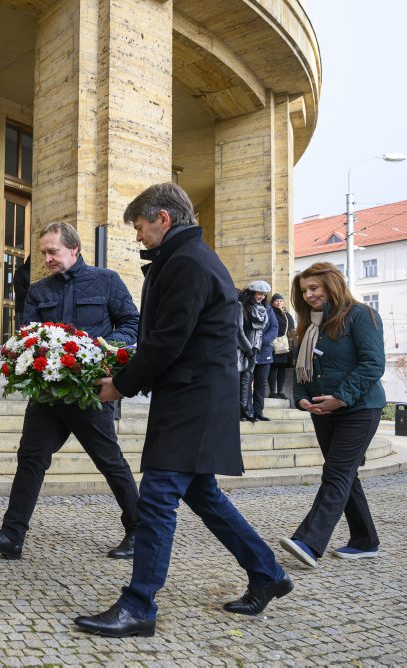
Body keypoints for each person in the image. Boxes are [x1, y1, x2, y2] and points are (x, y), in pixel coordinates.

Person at [79, 183, 291, 638]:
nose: (138, 238)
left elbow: (169, 339)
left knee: (156, 498)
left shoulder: (189, 262)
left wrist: (121, 384)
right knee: (203, 495)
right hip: (194, 395)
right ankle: (268, 573)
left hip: (193, 398)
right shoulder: (185, 258)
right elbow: (170, 336)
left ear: (163, 219)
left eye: (139, 227)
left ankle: (139, 605)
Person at [0, 221, 141, 561]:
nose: (46, 258)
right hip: (47, 393)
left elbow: (132, 324)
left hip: (89, 392)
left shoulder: (107, 281)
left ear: (74, 249)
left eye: (53, 251)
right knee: (30, 458)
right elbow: (25, 333)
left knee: (110, 462)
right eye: (44, 252)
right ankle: (11, 536)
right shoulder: (38, 291)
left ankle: (138, 531)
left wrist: (99, 347)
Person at [279, 262, 386, 568]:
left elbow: (372, 364)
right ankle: (365, 541)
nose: (309, 295)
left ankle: (309, 543)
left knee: (336, 473)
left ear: (332, 285)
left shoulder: (361, 315)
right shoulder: (309, 325)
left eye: (315, 288)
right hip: (322, 410)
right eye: (304, 290)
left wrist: (340, 398)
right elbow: (301, 369)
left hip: (359, 409)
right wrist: (302, 399)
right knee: (345, 474)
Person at [238, 282, 277, 421]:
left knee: (260, 383)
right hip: (246, 350)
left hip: (263, 351)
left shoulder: (267, 308)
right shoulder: (242, 306)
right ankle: (246, 411)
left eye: (264, 294)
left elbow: (274, 327)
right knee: (246, 382)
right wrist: (250, 347)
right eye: (259, 294)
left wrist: (260, 344)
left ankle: (258, 412)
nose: (261, 296)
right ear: (251, 293)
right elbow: (240, 330)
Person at [268, 293, 296, 399]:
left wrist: (293, 344)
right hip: (272, 344)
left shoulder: (287, 315)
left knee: (282, 368)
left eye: (280, 301)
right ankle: (272, 391)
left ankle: (280, 391)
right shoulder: (270, 313)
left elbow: (292, 331)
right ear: (272, 303)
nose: (279, 303)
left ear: (283, 303)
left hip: (284, 346)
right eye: (276, 301)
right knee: (273, 367)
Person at [12, 255, 31, 335]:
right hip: (22, 308)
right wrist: (33, 294)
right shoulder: (20, 271)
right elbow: (19, 291)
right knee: (22, 334)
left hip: (34, 308)